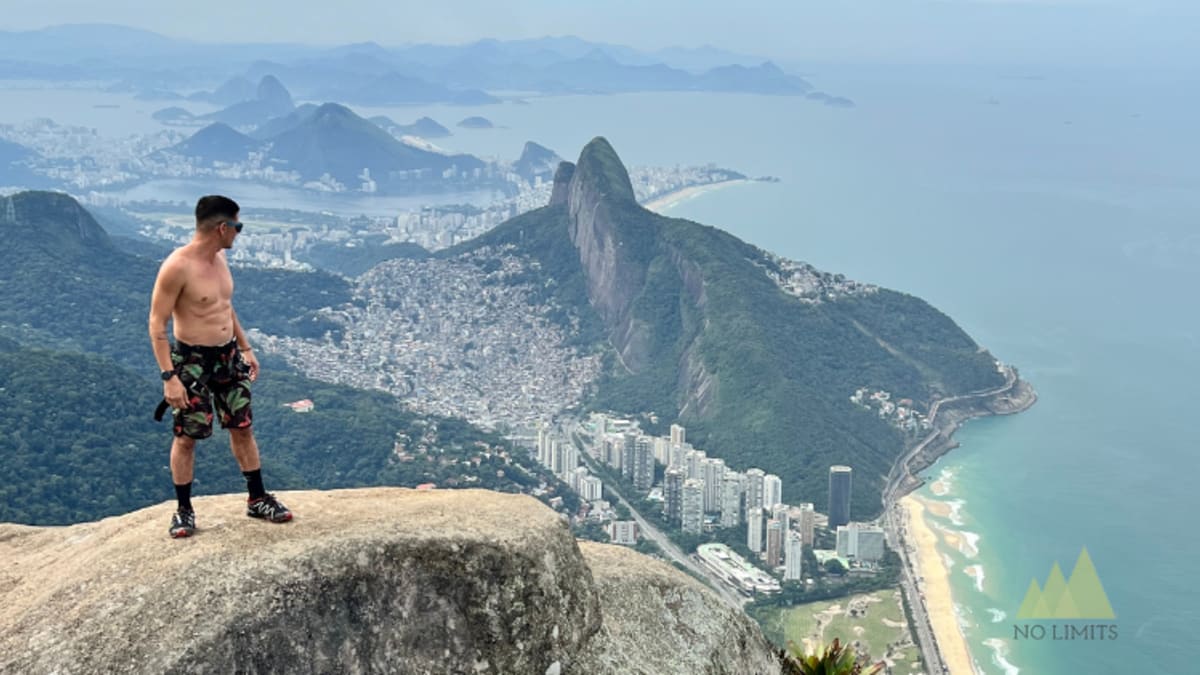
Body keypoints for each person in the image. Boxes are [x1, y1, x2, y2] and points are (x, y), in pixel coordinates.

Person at [148, 195, 292, 538]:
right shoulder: (177, 266)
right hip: (192, 361)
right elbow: (157, 323)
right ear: (221, 228)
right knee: (187, 436)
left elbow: (224, 306)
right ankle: (184, 510)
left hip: (228, 355)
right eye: (237, 227)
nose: (238, 234)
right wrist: (170, 377)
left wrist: (245, 346)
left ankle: (257, 498)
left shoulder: (220, 260)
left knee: (242, 427)